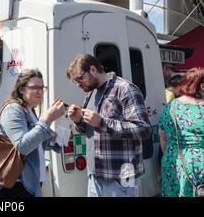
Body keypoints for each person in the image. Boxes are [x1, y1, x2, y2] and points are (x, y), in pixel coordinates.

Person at [66, 53, 151, 197]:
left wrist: (102, 122)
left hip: (121, 176)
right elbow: (91, 129)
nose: (79, 84)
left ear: (93, 69)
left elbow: (143, 129)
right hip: (95, 175)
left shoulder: (125, 89)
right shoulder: (91, 93)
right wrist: (78, 120)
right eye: (76, 81)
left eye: (80, 78)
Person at [0, 69, 65, 197]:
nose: (40, 92)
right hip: (17, 184)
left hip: (31, 183)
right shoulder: (13, 109)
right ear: (21, 89)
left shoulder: (30, 110)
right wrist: (47, 119)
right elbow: (23, 146)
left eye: (42, 88)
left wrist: (52, 139)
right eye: (35, 88)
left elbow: (35, 143)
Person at [158, 67, 203, 197]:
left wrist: (173, 153)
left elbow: (163, 137)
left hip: (173, 162)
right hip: (200, 165)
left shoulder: (170, 106)